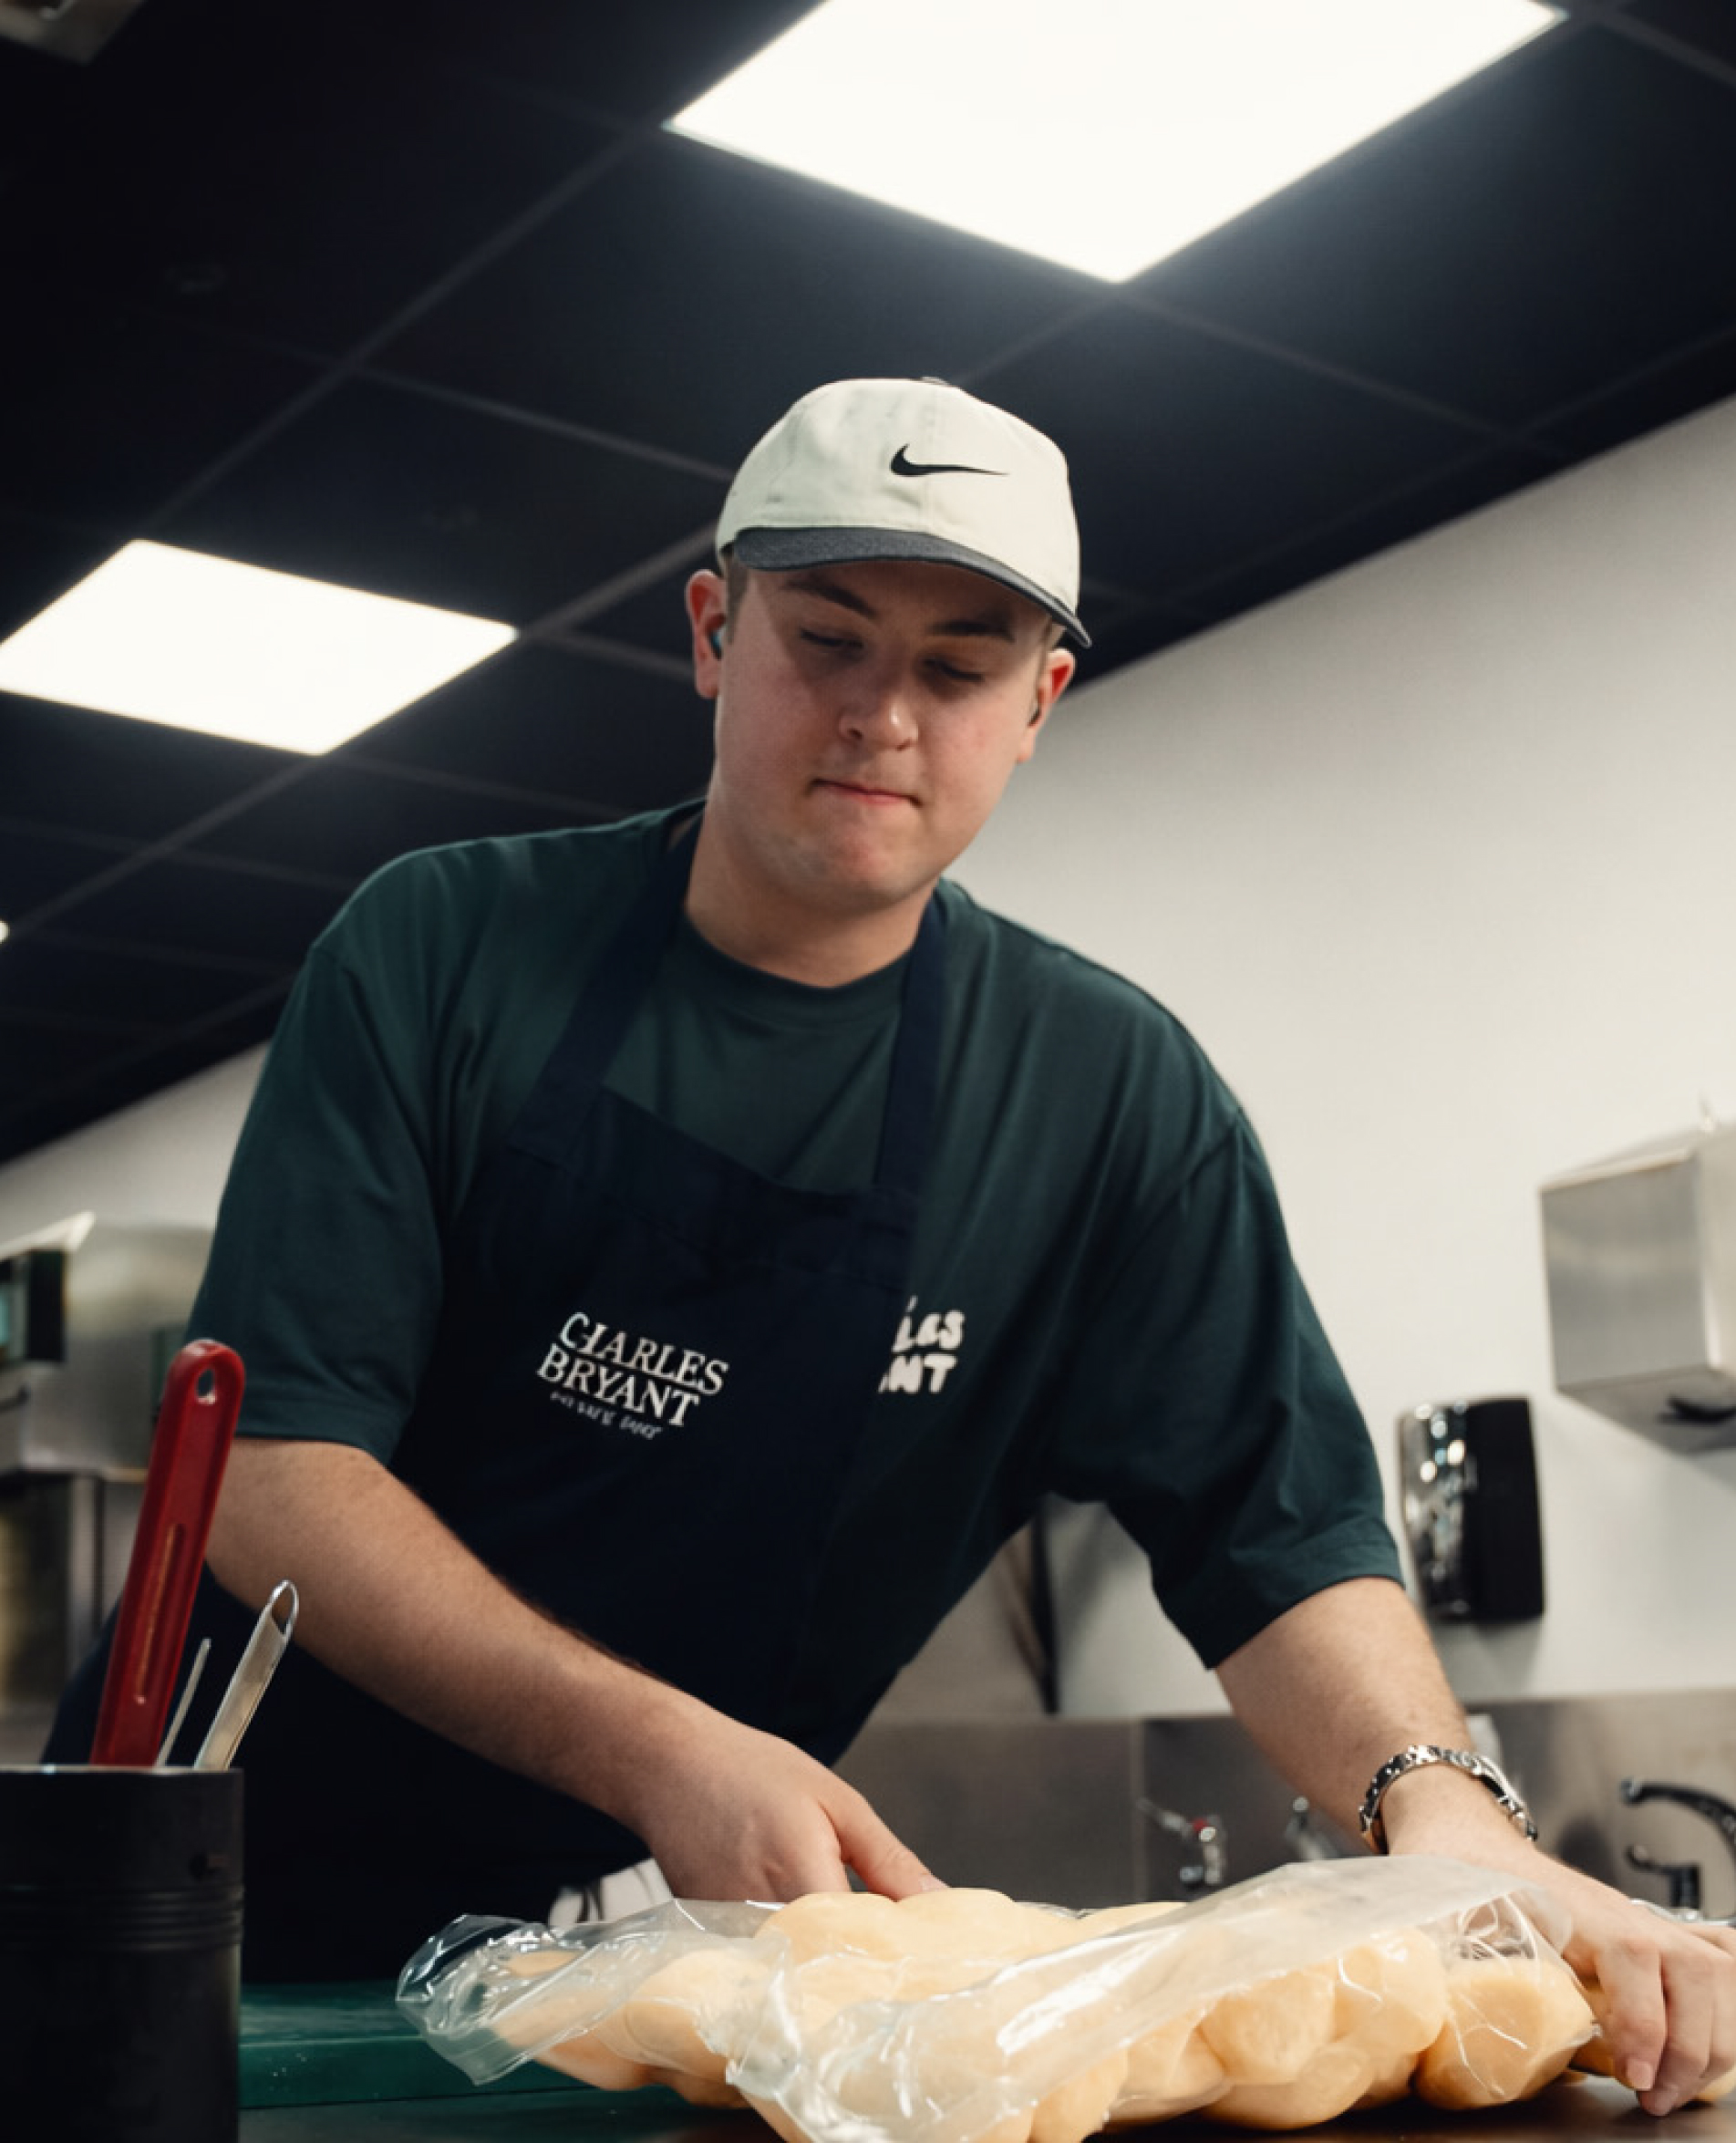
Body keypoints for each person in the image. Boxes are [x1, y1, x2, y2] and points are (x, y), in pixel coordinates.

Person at [48, 377, 1735, 2108]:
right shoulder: (445, 951)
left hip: (630, 1955)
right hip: (215, 1900)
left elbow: (1280, 1535)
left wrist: (1458, 1829)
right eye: (829, 639)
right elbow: (274, 1473)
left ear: (1038, 703)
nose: (882, 717)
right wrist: (663, 1744)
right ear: (714, 632)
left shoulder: (1106, 1099)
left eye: (956, 667)